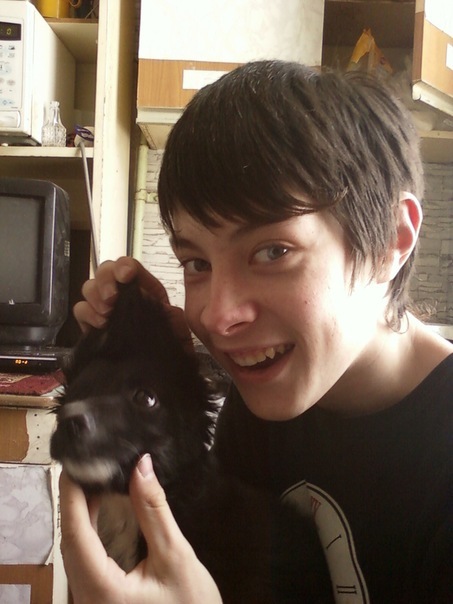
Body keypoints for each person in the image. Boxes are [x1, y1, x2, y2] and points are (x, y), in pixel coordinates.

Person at [59, 60, 453, 603]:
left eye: (273, 252)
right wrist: (162, 388)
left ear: (392, 238)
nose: (219, 317)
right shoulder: (264, 402)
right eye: (197, 263)